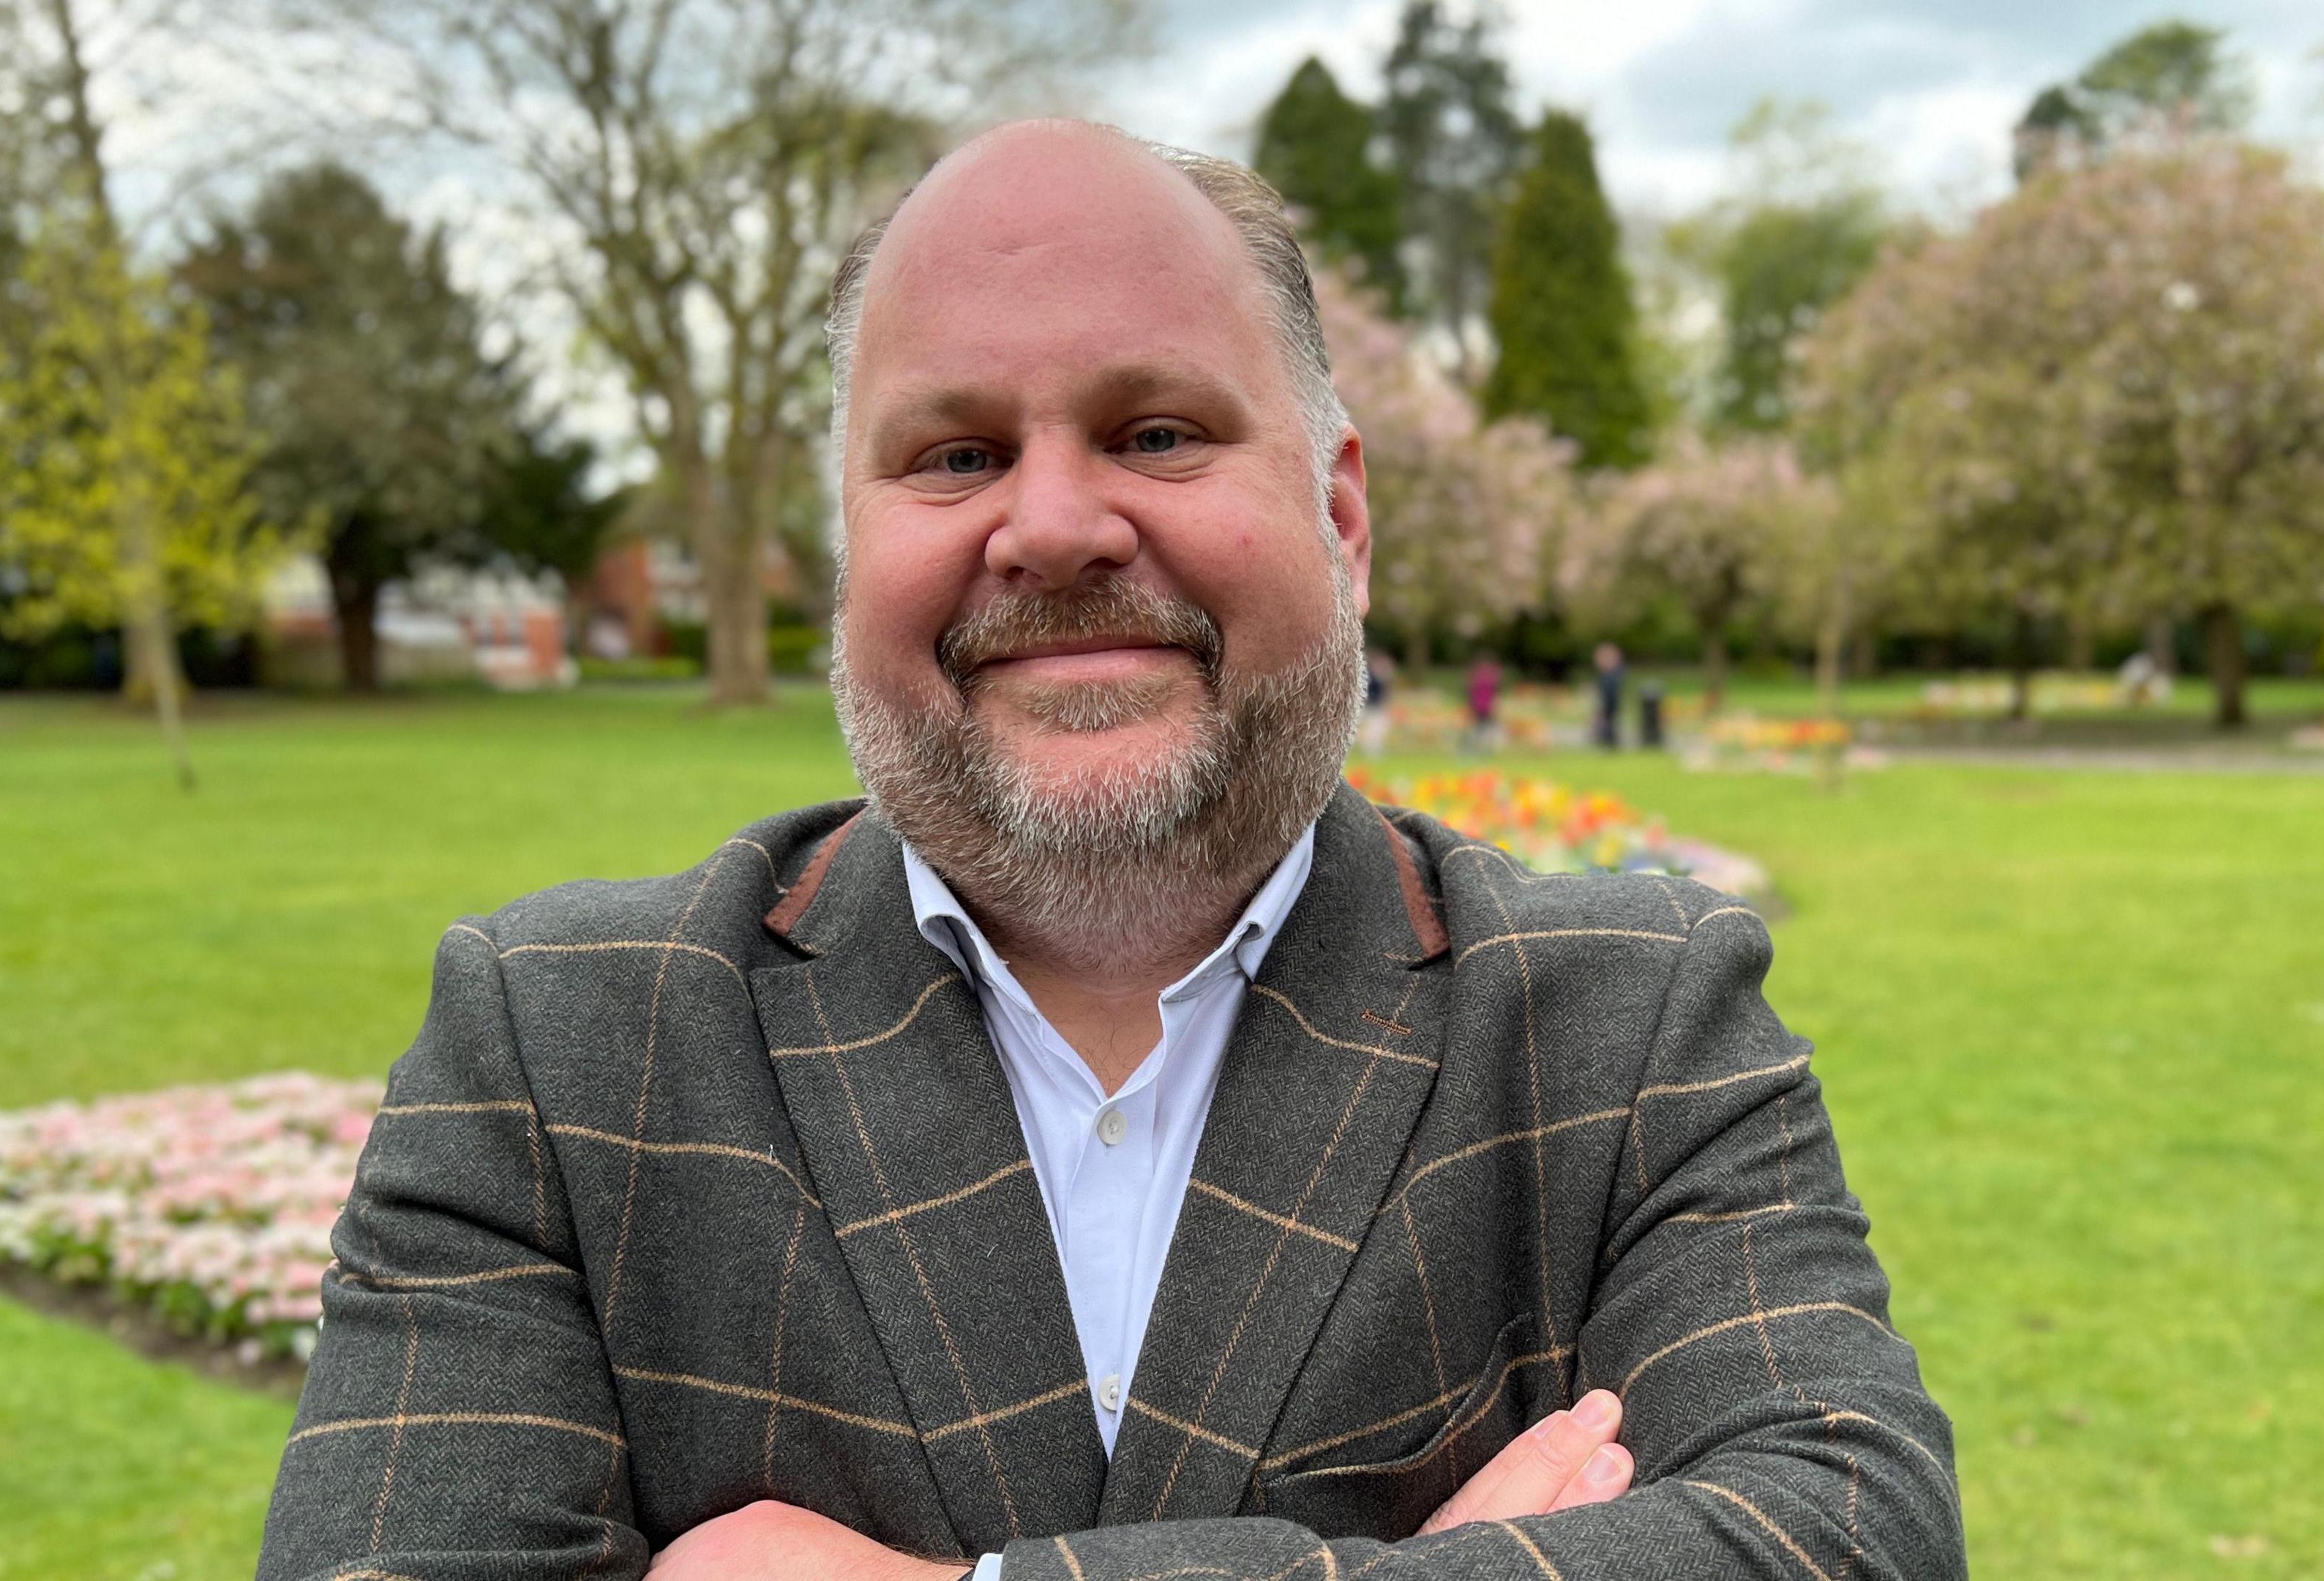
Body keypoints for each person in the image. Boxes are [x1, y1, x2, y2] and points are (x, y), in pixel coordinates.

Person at [258, 122, 1958, 1581]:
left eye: (1155, 432)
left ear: (1342, 514)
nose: (1055, 523)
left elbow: (1848, 1528)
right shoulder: (558, 1048)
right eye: (956, 455)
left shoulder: (1629, 1021)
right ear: (849, 548)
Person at [1359, 647, 1395, 756]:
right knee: (1373, 728)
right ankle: (1369, 748)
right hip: (1370, 706)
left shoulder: (1380, 677)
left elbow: (1385, 693)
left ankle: (1373, 749)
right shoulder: (1371, 676)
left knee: (1378, 728)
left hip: (1377, 706)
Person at [1591, 641, 1625, 749]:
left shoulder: (1612, 677)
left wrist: (1604, 712)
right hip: (1609, 710)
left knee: (1609, 734)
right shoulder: (1614, 675)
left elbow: (1611, 697)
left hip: (1609, 711)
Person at [1464, 654, 1502, 752]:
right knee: (1485, 725)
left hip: (1480, 705)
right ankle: (1484, 745)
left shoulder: (1475, 677)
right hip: (1486, 706)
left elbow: (1470, 691)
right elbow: (1496, 692)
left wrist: (1470, 704)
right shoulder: (1492, 676)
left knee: (1480, 726)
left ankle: (1480, 745)